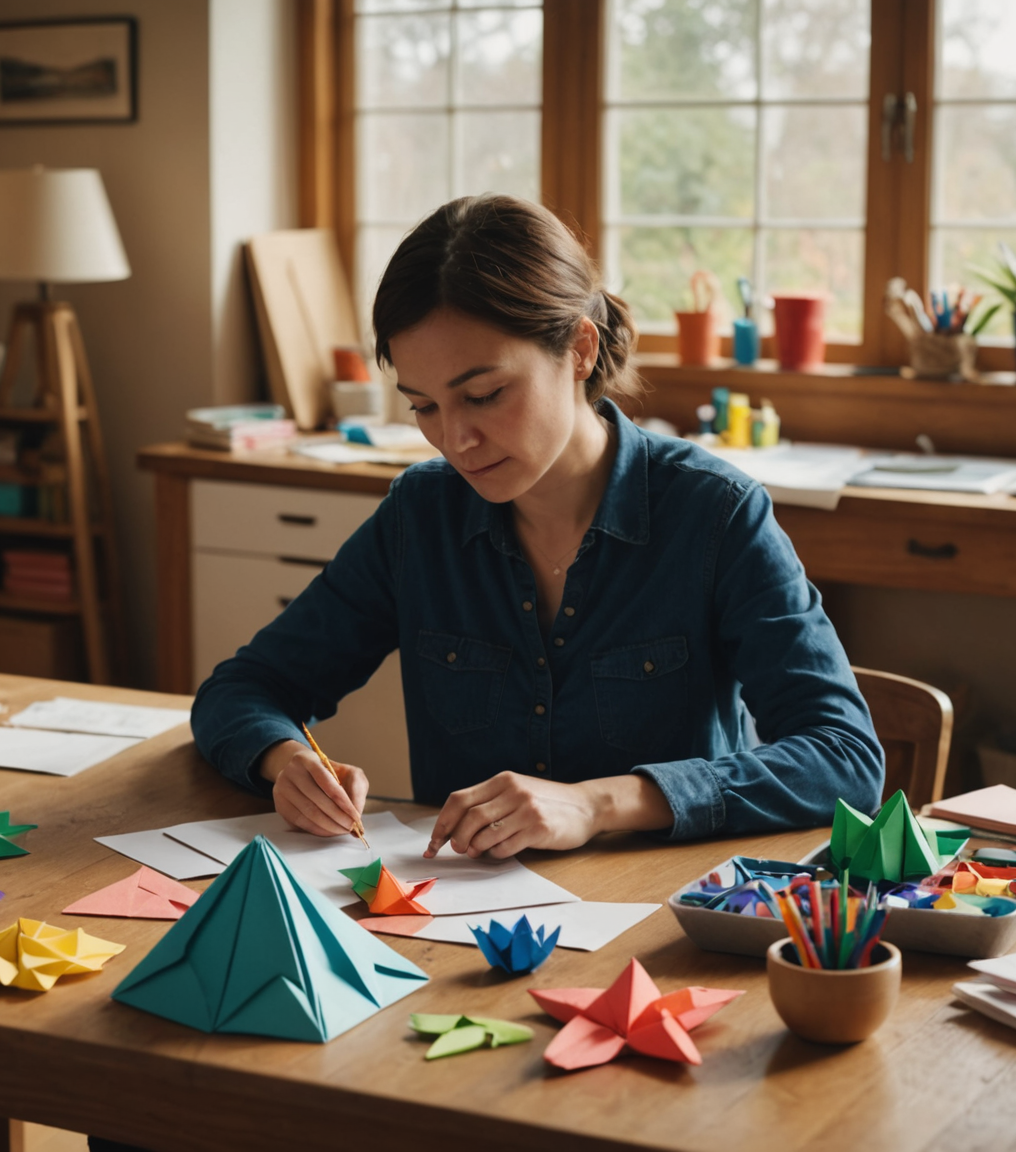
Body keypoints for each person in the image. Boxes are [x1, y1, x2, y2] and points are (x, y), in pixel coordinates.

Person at [192, 194, 884, 856]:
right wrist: (286, 763)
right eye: (424, 407)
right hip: (459, 932)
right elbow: (242, 689)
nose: (456, 439)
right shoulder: (420, 517)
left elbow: (844, 759)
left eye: (485, 395)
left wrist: (597, 804)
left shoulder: (714, 514)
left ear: (580, 350)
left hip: (665, 926)